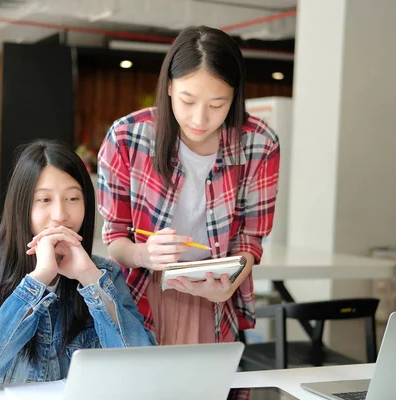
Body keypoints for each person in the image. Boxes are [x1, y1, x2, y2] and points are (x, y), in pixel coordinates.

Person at [94, 25, 280, 346]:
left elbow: (251, 240)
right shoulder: (127, 138)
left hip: (215, 296)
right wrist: (144, 254)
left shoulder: (258, 143)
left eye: (217, 104)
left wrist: (231, 282)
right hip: (142, 293)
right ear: (168, 87)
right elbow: (115, 240)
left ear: (235, 96)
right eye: (188, 100)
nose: (200, 118)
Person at [0, 140, 155, 392]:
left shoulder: (105, 275)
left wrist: (89, 278)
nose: (60, 215)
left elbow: (142, 369)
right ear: (21, 206)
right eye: (44, 199)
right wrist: (38, 280)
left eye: (73, 198)